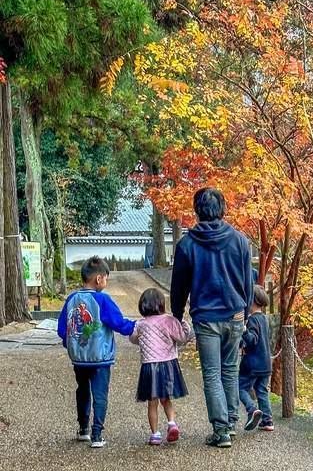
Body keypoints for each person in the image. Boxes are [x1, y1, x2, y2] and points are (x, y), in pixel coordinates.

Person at [170, 188, 253, 448]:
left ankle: (221, 430)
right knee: (230, 369)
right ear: (222, 208)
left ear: (197, 210)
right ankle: (230, 420)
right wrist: (246, 312)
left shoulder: (187, 245)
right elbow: (248, 282)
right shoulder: (240, 241)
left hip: (206, 316)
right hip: (235, 312)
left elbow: (179, 285)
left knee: (212, 374)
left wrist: (177, 312)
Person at [57, 256, 136, 448]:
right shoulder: (102, 300)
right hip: (100, 358)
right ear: (99, 279)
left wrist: (70, 345)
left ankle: (83, 428)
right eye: (106, 279)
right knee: (100, 394)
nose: (106, 283)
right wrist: (136, 327)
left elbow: (62, 329)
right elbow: (118, 323)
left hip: (79, 358)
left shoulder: (72, 299)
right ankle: (97, 434)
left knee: (82, 390)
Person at [130, 287, 192, 445]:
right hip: (168, 365)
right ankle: (172, 423)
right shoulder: (169, 320)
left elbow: (133, 339)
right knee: (166, 399)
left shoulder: (140, 324)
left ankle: (155, 434)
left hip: (149, 367)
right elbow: (182, 338)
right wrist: (183, 323)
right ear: (162, 304)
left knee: (152, 402)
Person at [239, 285, 274, 432]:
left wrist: (244, 330)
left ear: (251, 301)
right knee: (261, 390)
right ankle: (267, 421)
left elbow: (252, 340)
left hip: (252, 363)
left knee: (239, 387)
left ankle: (252, 409)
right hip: (266, 363)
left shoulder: (252, 320)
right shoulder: (265, 319)